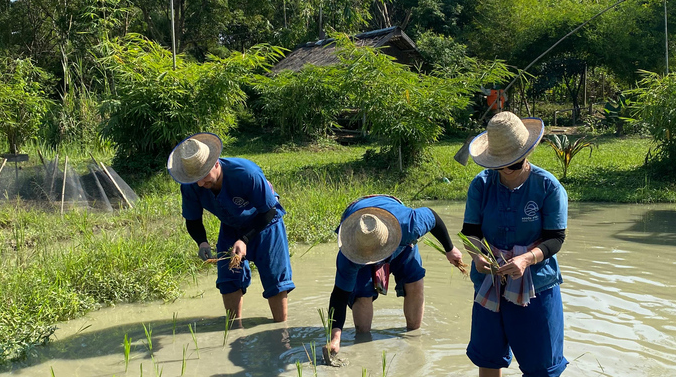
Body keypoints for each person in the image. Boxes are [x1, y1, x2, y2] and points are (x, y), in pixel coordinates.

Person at [462, 111, 569, 377]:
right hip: (490, 283)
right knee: (489, 359)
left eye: (513, 164)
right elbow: (470, 232)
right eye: (500, 165)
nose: (506, 171)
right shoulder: (481, 185)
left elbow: (555, 238)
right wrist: (476, 256)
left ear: (526, 155)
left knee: (541, 368)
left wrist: (526, 259)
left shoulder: (548, 187)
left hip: (537, 285)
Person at [167, 132, 294, 322]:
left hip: (265, 225)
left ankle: (281, 330)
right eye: (196, 180)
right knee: (228, 281)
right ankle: (235, 331)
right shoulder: (191, 186)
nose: (201, 184)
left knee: (276, 283)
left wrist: (244, 240)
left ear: (216, 163)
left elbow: (269, 212)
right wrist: (202, 243)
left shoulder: (246, 173)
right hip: (231, 225)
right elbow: (193, 220)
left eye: (204, 176)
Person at [325, 194, 464, 355]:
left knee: (414, 281)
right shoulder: (350, 254)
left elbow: (432, 216)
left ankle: (414, 339)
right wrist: (335, 338)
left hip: (398, 239)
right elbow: (339, 296)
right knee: (362, 296)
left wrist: (450, 249)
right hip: (358, 233)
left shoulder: (409, 225)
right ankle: (363, 346)